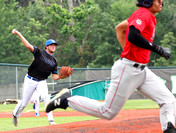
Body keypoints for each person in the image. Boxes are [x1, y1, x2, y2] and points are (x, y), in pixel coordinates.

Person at [45, 0, 176, 132]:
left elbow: (120, 27)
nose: (161, 2)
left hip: (142, 70)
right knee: (107, 111)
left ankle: (169, 129)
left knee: (168, 100)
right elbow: (133, 35)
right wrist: (157, 49)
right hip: (128, 70)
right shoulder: (143, 14)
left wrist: (130, 51)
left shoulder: (147, 17)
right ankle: (67, 100)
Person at [12, 29, 61, 126]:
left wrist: (61, 76)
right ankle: (15, 114)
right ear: (47, 46)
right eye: (51, 45)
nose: (53, 47)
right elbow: (28, 45)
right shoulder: (39, 52)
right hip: (30, 80)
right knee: (24, 103)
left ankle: (51, 120)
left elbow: (55, 76)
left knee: (46, 97)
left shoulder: (54, 61)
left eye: (54, 45)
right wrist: (19, 33)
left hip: (41, 82)